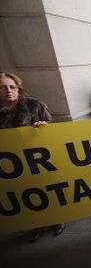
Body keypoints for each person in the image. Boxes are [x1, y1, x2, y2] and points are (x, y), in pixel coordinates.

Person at [0, 72, 65, 242]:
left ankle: (57, 219)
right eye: (3, 87)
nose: (8, 90)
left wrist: (45, 126)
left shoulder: (34, 105)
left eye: (12, 87)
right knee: (26, 193)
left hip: (39, 159)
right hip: (13, 163)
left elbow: (53, 127)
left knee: (48, 189)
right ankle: (36, 224)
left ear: (18, 88)